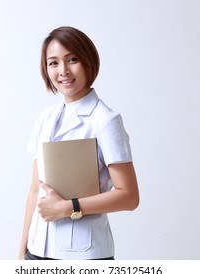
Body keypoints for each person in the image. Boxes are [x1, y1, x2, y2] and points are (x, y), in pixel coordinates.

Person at [18, 26, 139, 260]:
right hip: (37, 250)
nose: (63, 71)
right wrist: (21, 251)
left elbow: (130, 196)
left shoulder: (106, 121)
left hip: (83, 256)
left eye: (72, 59)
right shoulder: (45, 118)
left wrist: (67, 207)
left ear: (88, 61)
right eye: (53, 63)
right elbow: (35, 191)